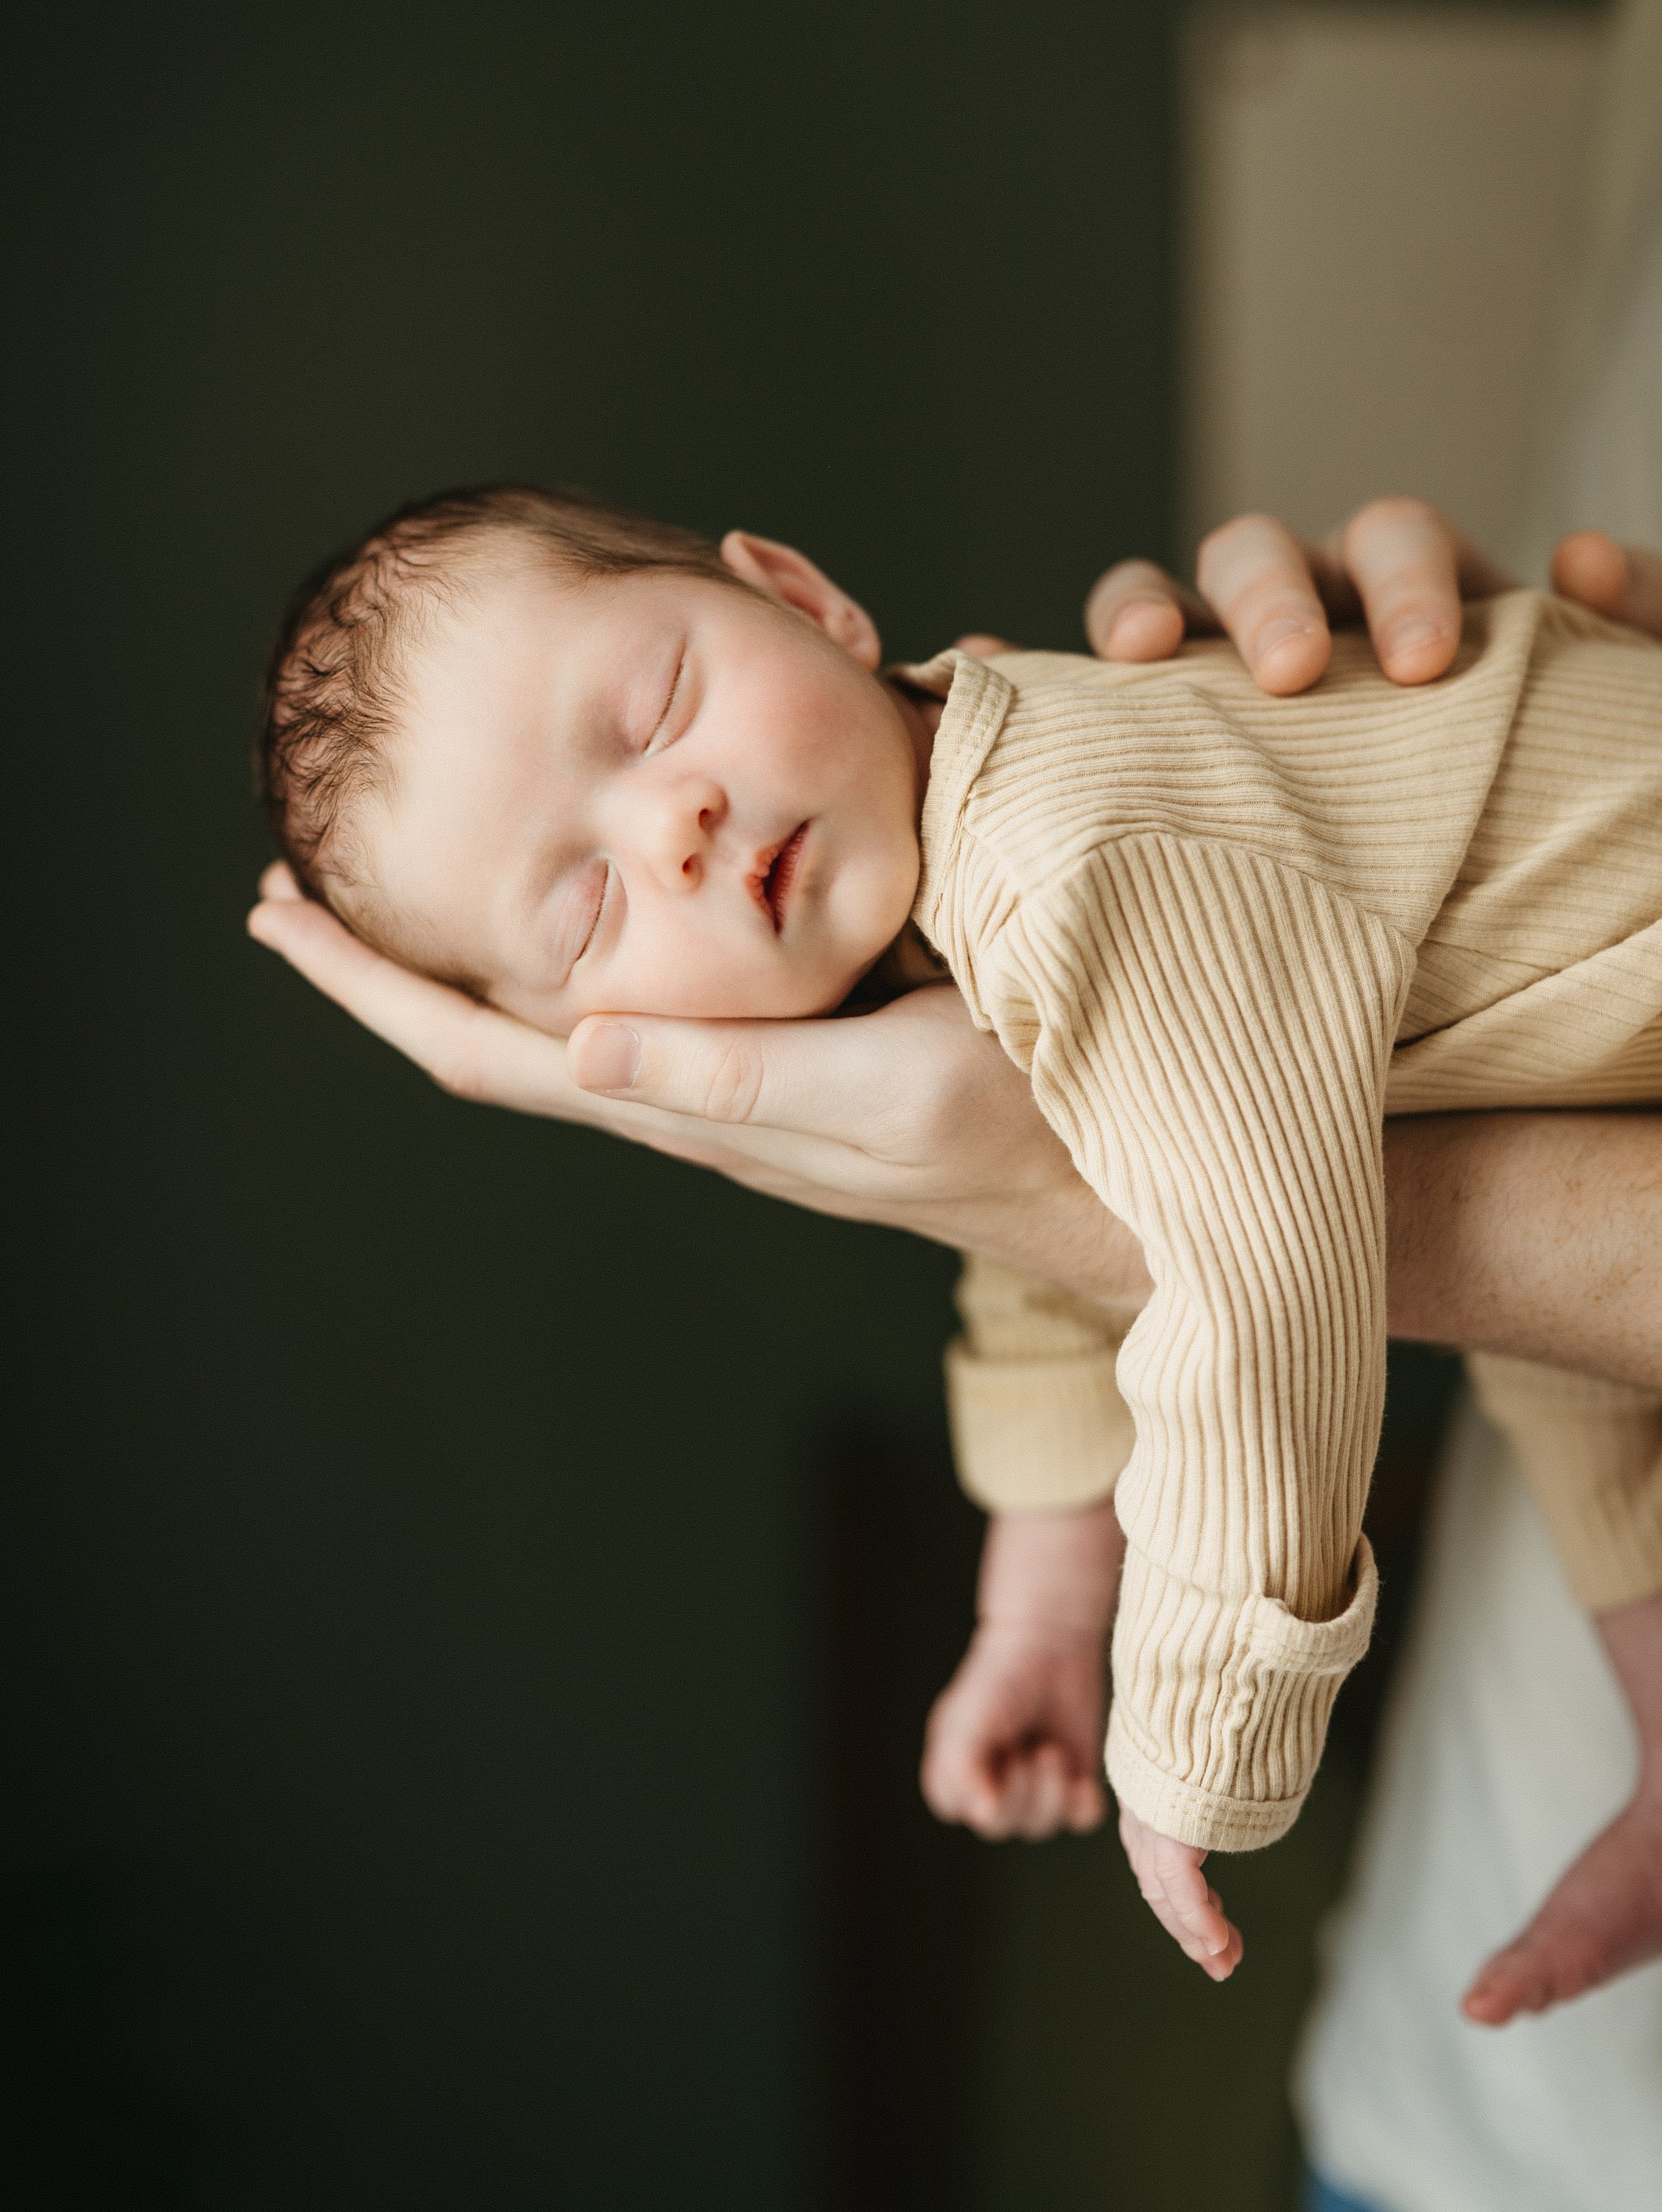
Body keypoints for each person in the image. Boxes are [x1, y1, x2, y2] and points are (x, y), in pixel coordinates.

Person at [251, 479, 1662, 2011]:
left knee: (1452, 1311)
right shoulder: (958, 907)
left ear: (801, 599)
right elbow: (1052, 1226)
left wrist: (1195, 1743)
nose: (675, 825)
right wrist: (1048, 1608)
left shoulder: (1058, 844)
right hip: (1586, 1041)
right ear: (607, 1033)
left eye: (658, 701)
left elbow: (1264, 1280)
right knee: (1561, 1383)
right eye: (586, 912)